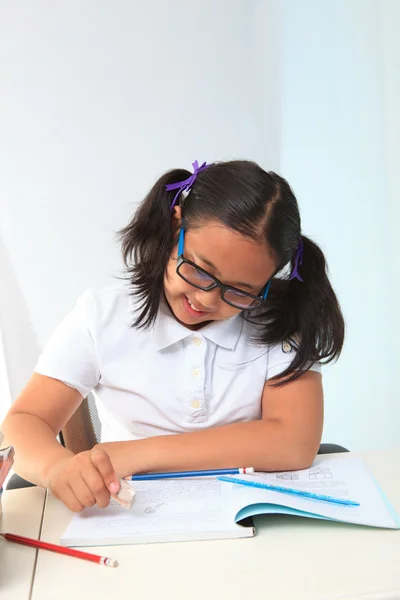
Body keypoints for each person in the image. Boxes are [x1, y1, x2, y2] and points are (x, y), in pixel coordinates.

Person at [1, 160, 344, 512]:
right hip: (129, 510)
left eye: (241, 291)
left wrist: (132, 454)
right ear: (175, 225)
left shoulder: (279, 321)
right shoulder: (102, 315)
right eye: (198, 269)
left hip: (250, 513)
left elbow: (294, 442)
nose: (207, 299)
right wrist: (56, 467)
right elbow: (23, 424)